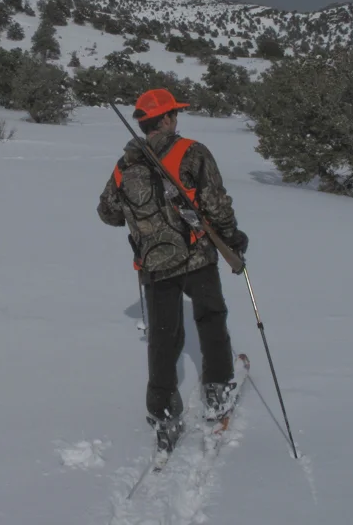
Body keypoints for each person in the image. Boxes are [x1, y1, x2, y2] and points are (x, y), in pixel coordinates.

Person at [97, 88, 249, 453]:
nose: (176, 119)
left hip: (153, 263)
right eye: (174, 114)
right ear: (165, 119)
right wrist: (232, 239)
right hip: (197, 256)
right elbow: (216, 203)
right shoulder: (192, 152)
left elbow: (107, 212)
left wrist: (144, 223)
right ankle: (217, 392)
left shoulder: (124, 166)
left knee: (163, 338)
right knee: (211, 319)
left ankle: (163, 410)